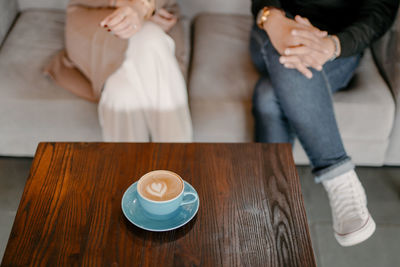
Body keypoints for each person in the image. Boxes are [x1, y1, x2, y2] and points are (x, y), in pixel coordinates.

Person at [250, 0, 399, 246]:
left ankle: (272, 206)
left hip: (337, 43)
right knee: (289, 52)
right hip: (274, 29)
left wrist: (333, 45)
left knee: (268, 97)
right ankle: (339, 178)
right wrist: (272, 17)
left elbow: (380, 11)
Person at [45, 0, 192, 142]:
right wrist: (129, 6)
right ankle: (178, 159)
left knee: (122, 93)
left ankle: (126, 166)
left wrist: (144, 8)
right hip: (92, 16)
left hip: (152, 16)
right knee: (150, 37)